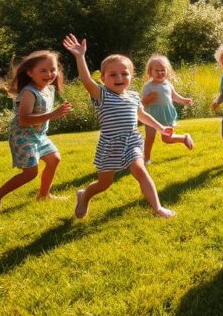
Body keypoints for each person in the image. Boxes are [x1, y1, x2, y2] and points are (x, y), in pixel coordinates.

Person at [62, 35, 175, 219]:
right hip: (110, 145)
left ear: (131, 76)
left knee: (141, 170)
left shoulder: (133, 96)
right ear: (103, 78)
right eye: (113, 74)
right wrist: (80, 56)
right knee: (103, 184)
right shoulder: (102, 95)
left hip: (132, 141)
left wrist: (161, 128)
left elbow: (142, 115)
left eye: (124, 73)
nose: (119, 77)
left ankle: (158, 208)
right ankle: (84, 195)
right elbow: (86, 81)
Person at [0, 50, 72, 215]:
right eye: (43, 70)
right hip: (23, 136)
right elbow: (24, 120)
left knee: (54, 159)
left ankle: (44, 195)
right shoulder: (28, 93)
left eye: (53, 69)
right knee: (30, 173)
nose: (49, 74)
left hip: (39, 135)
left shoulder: (49, 89)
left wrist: (55, 113)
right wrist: (53, 114)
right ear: (30, 72)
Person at [140, 54, 194, 165]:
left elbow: (174, 96)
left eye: (163, 70)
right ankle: (146, 159)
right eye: (157, 71)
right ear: (150, 71)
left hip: (166, 115)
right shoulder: (148, 86)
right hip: (151, 116)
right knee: (149, 138)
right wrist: (149, 98)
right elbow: (141, 102)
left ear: (167, 71)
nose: (160, 73)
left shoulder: (168, 84)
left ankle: (184, 138)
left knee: (167, 139)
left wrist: (184, 100)